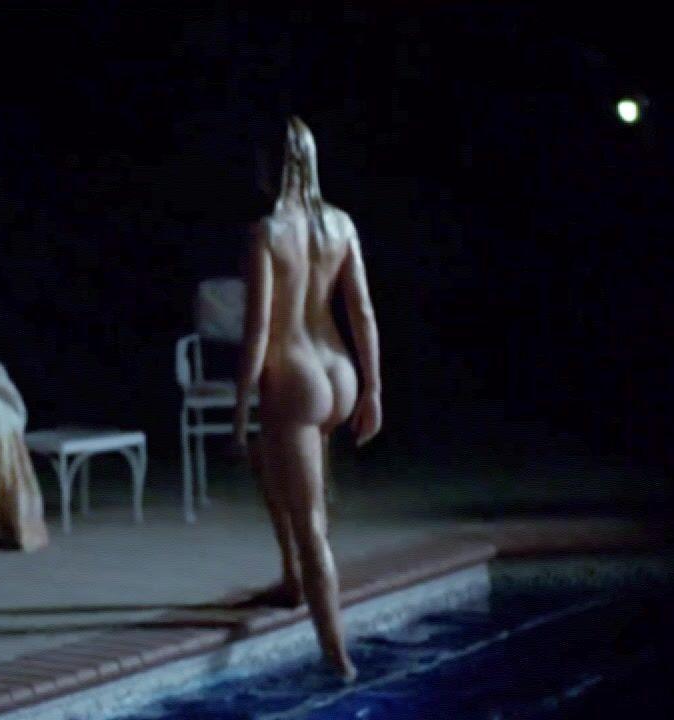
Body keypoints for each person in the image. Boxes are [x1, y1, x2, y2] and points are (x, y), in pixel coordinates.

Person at [233, 115, 382, 682]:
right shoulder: (341, 225)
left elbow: (257, 332)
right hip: (339, 370)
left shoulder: (267, 233)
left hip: (293, 376)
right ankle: (293, 580)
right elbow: (361, 311)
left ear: (268, 166)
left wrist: (240, 409)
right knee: (282, 477)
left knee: (310, 521)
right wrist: (373, 389)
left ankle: (337, 659)